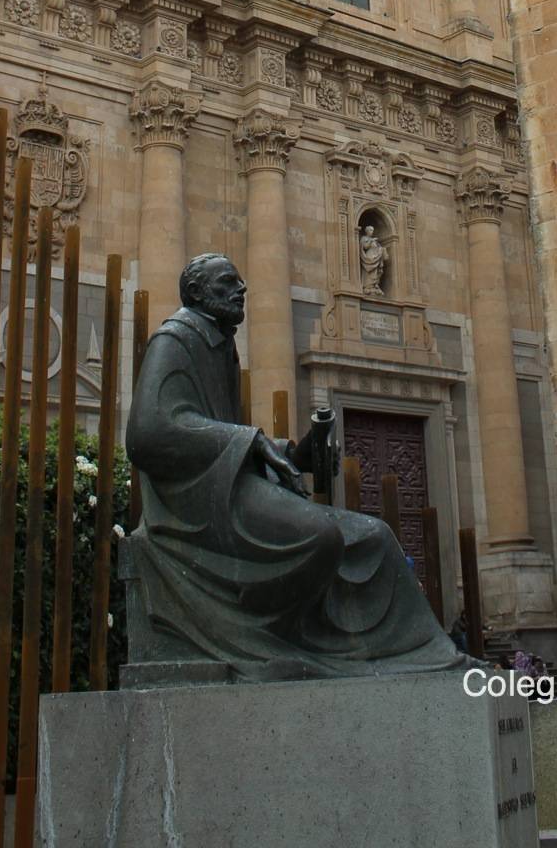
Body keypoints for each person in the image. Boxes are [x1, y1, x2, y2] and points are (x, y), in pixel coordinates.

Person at [125, 252, 469, 680]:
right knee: (322, 536)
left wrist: (298, 455)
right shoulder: (175, 340)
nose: (242, 290)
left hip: (227, 487)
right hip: (196, 506)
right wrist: (249, 440)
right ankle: (286, 641)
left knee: (375, 535)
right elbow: (148, 433)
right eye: (227, 283)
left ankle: (426, 656)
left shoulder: (221, 347)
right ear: (196, 293)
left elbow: (229, 441)